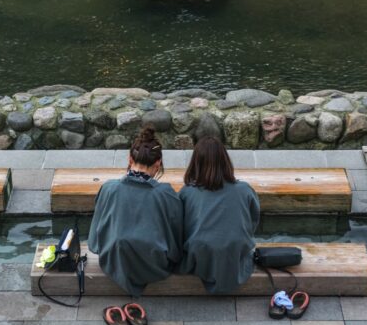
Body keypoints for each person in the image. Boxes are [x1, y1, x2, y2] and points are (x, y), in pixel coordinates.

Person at [88, 126, 183, 297]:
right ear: (158, 163)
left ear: (130, 159)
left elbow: (95, 240)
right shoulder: (166, 194)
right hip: (154, 267)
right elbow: (176, 242)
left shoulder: (109, 188)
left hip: (114, 262)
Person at [179, 136, 260, 294]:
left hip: (199, 258)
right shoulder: (245, 190)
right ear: (225, 160)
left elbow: (180, 229)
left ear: (195, 162)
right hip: (235, 257)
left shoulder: (186, 193)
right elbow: (253, 222)